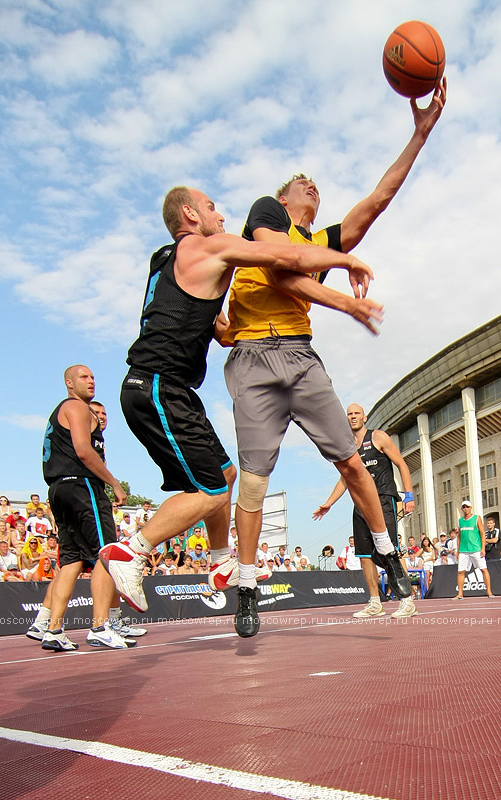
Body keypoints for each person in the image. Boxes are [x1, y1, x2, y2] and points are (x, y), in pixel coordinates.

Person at [213, 82, 446, 634]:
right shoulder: (267, 216)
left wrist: (419, 134)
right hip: (252, 357)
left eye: (315, 184)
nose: (310, 184)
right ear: (284, 196)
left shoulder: (322, 240)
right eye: (301, 182)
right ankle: (246, 582)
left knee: (351, 459)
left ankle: (388, 553)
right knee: (253, 478)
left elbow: (377, 200)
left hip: (299, 355)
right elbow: (282, 268)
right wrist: (342, 282)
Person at [99, 185, 377, 638]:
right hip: (156, 385)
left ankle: (220, 560)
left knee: (226, 475)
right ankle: (131, 550)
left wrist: (221, 327)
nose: (221, 215)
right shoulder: (211, 245)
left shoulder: (166, 261)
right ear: (189, 214)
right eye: (211, 207)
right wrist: (347, 260)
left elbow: (203, 324)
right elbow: (287, 259)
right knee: (209, 492)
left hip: (170, 388)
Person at [37, 365, 137, 651]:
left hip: (58, 488)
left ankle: (53, 629)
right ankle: (100, 626)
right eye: (84, 377)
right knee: (106, 554)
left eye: (93, 376)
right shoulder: (77, 408)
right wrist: (115, 485)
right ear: (69, 383)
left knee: (71, 560)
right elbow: (83, 450)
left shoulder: (60, 412)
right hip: (81, 486)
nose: (91, 380)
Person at [314, 403, 415, 618]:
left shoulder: (378, 437)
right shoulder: (348, 446)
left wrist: (409, 495)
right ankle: (375, 603)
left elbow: (402, 464)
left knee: (389, 551)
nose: (352, 417)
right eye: (349, 414)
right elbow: (345, 479)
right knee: (364, 555)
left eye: (356, 413)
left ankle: (407, 600)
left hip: (383, 498)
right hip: (360, 503)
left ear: (365, 417)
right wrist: (328, 503)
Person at [453, 500, 494, 600]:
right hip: (463, 550)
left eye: (467, 507)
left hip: (476, 549)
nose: (465, 509)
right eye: (463, 507)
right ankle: (460, 594)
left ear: (471, 507)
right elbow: (459, 537)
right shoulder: (460, 521)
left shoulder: (476, 518)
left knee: (483, 569)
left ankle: (489, 591)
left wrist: (483, 548)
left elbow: (482, 533)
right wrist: (457, 551)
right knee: (461, 571)